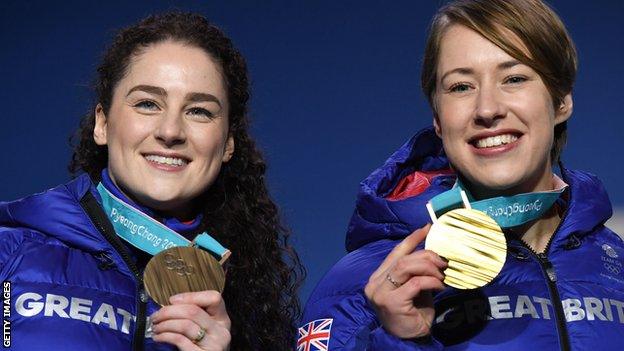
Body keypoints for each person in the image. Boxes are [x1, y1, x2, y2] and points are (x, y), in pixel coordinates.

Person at [300, 0, 624, 350]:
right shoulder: (360, 284)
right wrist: (402, 340)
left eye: (513, 78)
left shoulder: (616, 265)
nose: (487, 109)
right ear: (438, 118)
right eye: (461, 87)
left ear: (561, 101)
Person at [0, 12, 304, 351]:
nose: (170, 131)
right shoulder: (10, 254)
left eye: (199, 111)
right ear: (102, 124)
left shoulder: (245, 301)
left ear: (228, 144)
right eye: (147, 103)